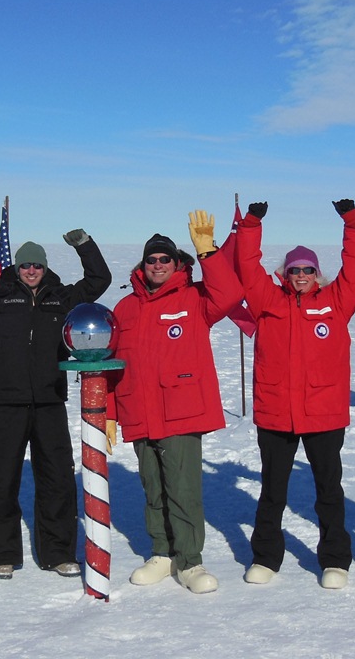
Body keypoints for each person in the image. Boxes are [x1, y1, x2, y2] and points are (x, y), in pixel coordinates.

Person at [0, 226, 111, 580]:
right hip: (7, 402)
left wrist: (85, 245)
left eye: (36, 265)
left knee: (56, 479)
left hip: (50, 401)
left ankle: (58, 553)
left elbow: (99, 279)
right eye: (25, 266)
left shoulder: (61, 298)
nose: (31, 271)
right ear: (16, 268)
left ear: (45, 266)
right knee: (3, 478)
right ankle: (3, 554)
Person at [234, 198, 355, 590]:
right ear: (284, 274)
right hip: (276, 414)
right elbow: (246, 266)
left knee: (329, 492)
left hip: (324, 415)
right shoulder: (267, 301)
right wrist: (252, 224)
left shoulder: (335, 302)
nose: (302, 275)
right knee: (273, 492)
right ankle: (265, 558)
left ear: (317, 273)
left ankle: (335, 561)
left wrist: (352, 222)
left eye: (309, 270)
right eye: (295, 270)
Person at [106, 211, 243, 594]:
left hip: (181, 411)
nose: (158, 265)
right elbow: (115, 366)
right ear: (142, 265)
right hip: (140, 411)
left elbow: (231, 296)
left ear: (177, 263)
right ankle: (162, 553)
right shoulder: (125, 308)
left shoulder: (195, 297)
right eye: (152, 259)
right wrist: (112, 414)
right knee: (152, 488)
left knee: (183, 489)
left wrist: (208, 252)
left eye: (165, 259)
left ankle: (190, 561)